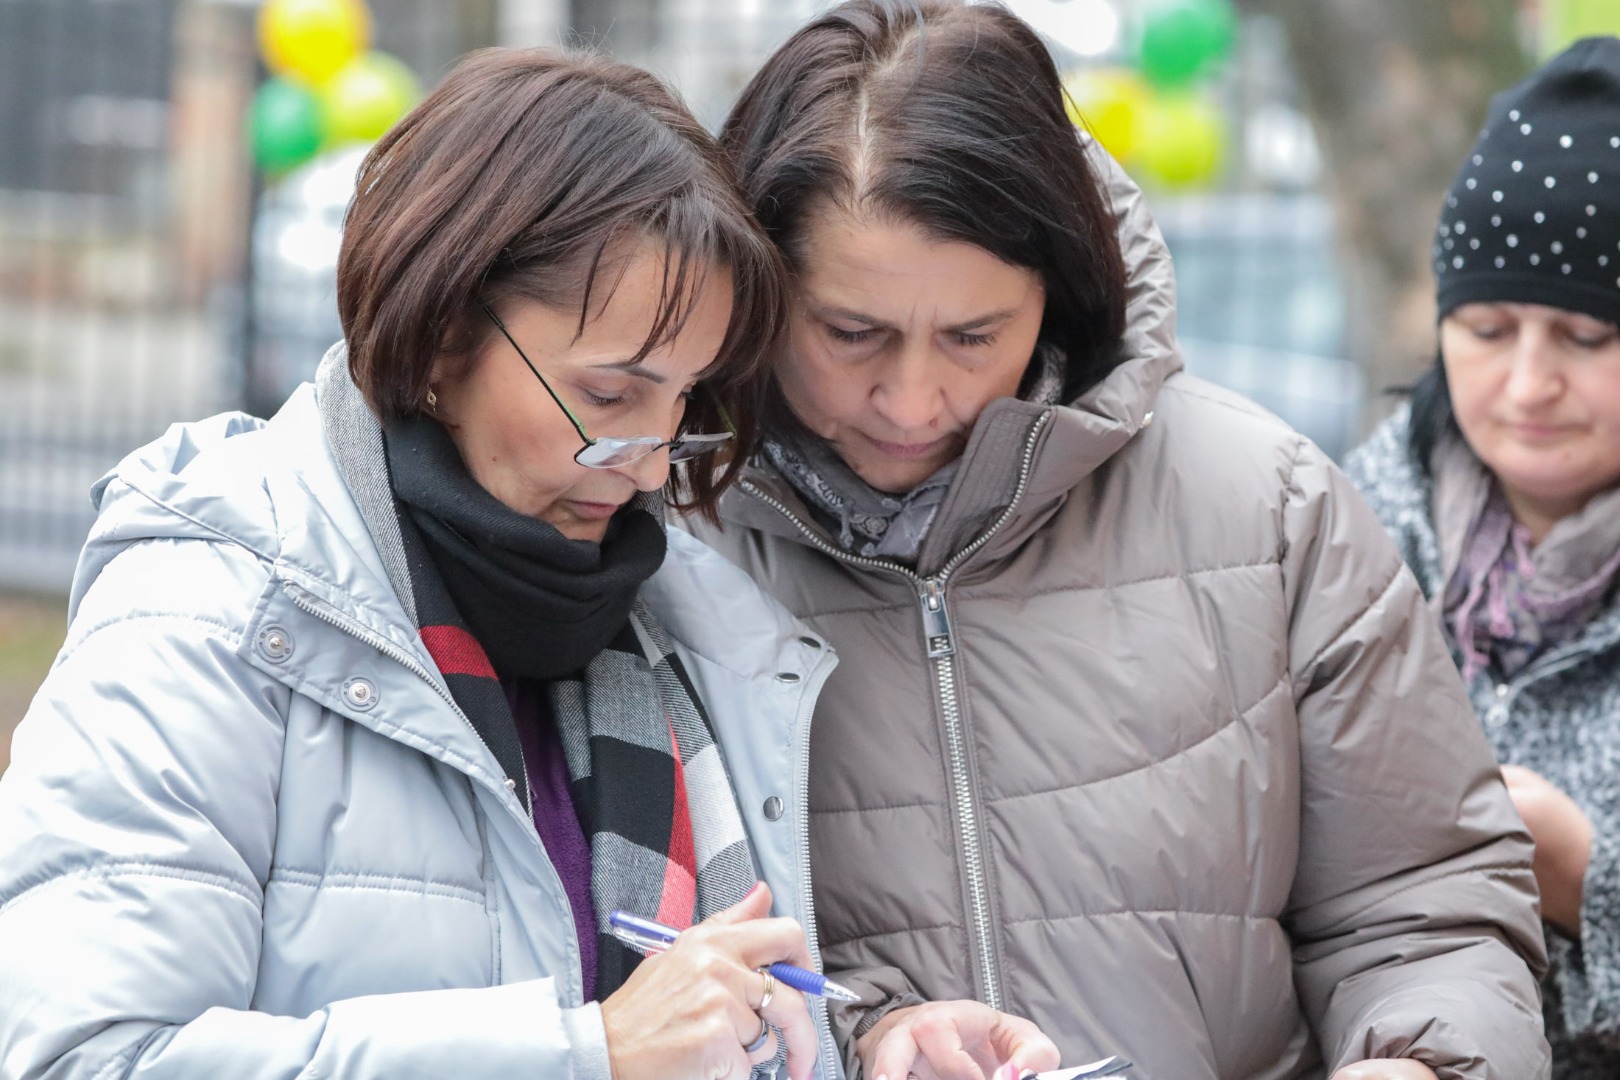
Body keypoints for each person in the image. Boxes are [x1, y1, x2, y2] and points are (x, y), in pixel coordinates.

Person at [0, 46, 1049, 1080]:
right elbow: (81, 1057)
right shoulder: (212, 611)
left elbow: (694, 1015)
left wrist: (866, 1047)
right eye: (608, 397)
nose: (646, 470)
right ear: (443, 335)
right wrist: (584, 1056)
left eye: (684, 403)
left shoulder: (680, 628)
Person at [682, 3, 1554, 1078]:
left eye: (973, 335)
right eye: (850, 334)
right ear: (760, 291)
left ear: (1057, 293)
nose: (912, 399)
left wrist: (1419, 1063)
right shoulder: (661, 533)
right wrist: (862, 1033)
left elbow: (1426, 905)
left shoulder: (1267, 508)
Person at [1345, 37, 1620, 1080]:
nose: (1526, 384)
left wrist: (1587, 881)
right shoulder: (1340, 537)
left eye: (1584, 337)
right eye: (1488, 327)